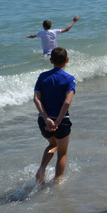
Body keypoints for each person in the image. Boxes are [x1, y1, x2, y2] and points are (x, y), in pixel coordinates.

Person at [33, 47, 76, 184]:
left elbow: (36, 99)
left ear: (51, 60)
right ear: (67, 60)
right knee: (62, 152)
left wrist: (46, 118)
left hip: (43, 120)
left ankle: (42, 169)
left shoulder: (42, 77)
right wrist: (57, 121)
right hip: (62, 121)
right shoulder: (69, 79)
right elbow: (67, 102)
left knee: (52, 144)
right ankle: (57, 182)